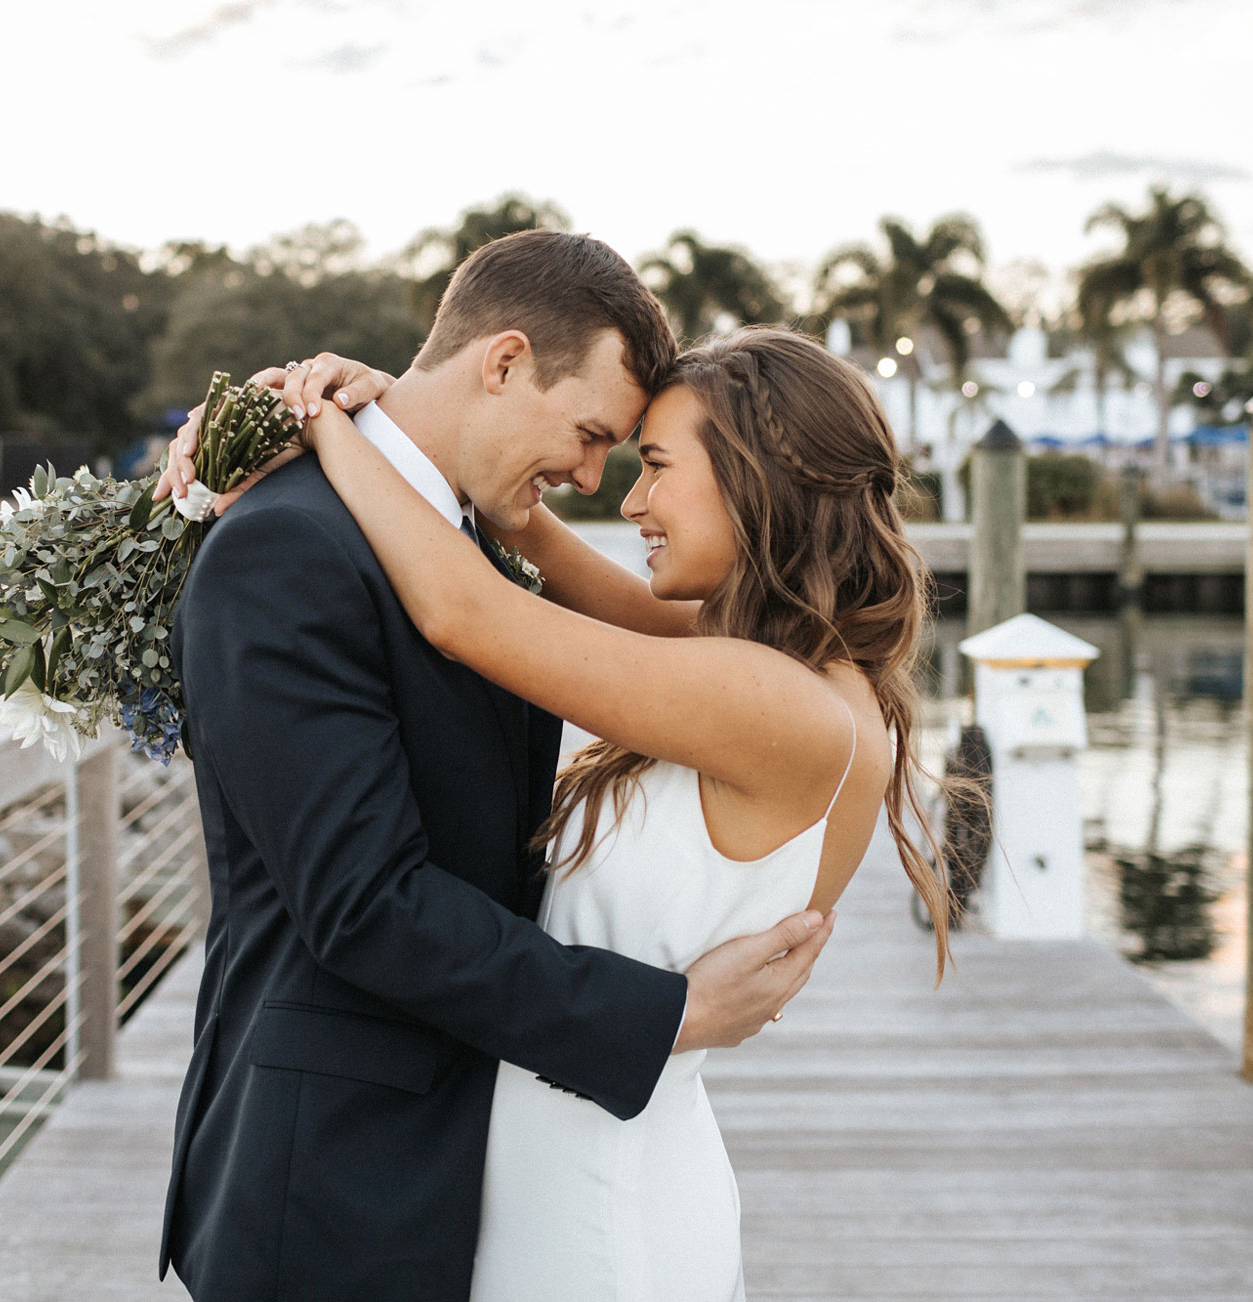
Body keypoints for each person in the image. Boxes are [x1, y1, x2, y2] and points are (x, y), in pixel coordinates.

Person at [170, 314, 955, 1300]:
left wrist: (332, 425)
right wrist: (427, 429)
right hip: (574, 1156)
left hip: (598, 1194)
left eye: (658, 464)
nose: (629, 500)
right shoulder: (796, 674)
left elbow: (471, 615)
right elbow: (583, 589)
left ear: (756, 482)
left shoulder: (776, 704)